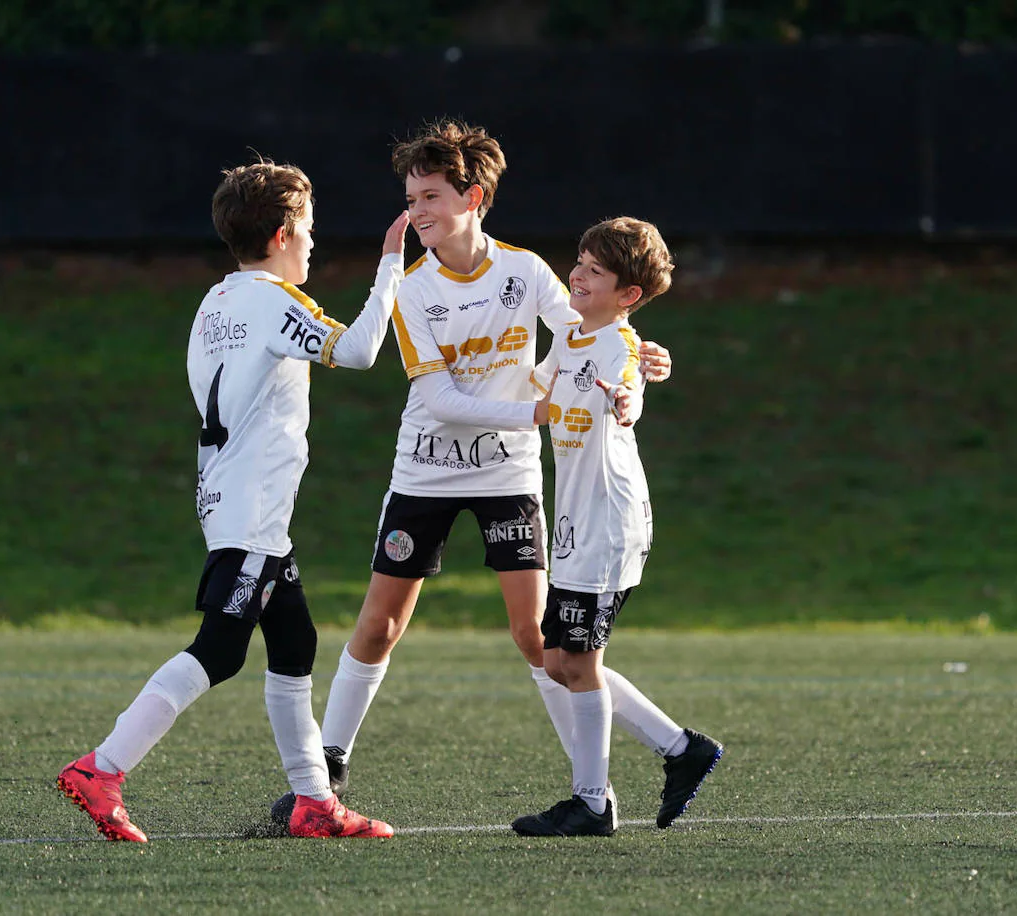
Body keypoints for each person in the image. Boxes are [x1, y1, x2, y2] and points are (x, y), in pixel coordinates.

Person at [269, 120, 697, 828]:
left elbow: (594, 339)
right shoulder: (412, 290)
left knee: (537, 637)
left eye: (430, 196)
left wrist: (643, 372)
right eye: (410, 198)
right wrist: (533, 414)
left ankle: (590, 794)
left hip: (508, 476)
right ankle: (328, 771)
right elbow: (439, 400)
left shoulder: (525, 272)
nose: (417, 212)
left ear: (474, 197)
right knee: (379, 625)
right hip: (426, 473)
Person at [56, 158, 409, 841]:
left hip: (234, 499)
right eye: (307, 230)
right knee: (220, 649)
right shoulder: (278, 302)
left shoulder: (216, 302)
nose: (312, 242)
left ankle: (314, 803)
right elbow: (361, 351)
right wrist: (390, 264)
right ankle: (102, 768)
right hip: (250, 508)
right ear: (280, 235)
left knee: (295, 639)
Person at [511, 217, 723, 837]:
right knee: (558, 661)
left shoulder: (620, 347)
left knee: (577, 662)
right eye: (578, 259)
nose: (577, 272)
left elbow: (627, 389)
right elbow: (538, 386)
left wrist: (629, 399)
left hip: (609, 522)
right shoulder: (573, 338)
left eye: (595, 270)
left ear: (627, 295)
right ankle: (682, 750)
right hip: (576, 521)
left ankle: (592, 803)